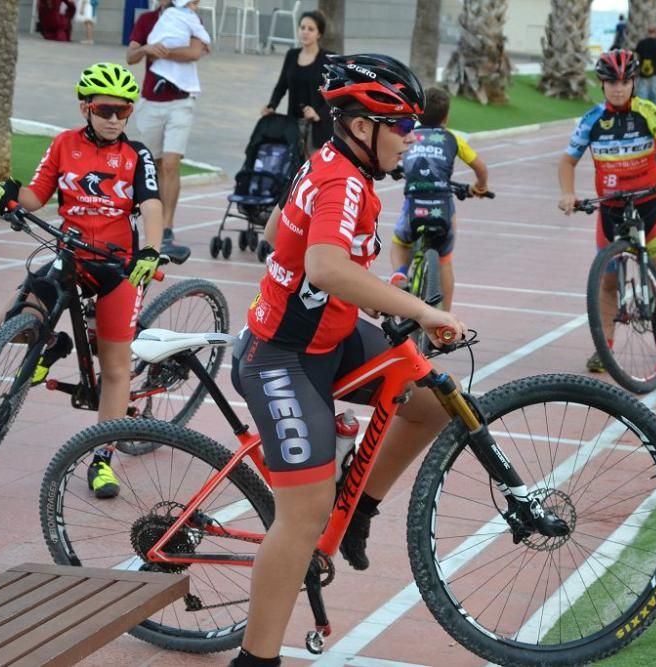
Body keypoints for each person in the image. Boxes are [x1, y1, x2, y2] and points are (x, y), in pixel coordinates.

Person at [228, 54, 466, 667]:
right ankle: (254, 660)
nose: (411, 140)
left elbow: (287, 226)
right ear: (363, 127)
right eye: (403, 126)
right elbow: (326, 266)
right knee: (303, 517)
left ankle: (358, 510)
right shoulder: (341, 179)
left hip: (327, 337)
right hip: (280, 356)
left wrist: (371, 285)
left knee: (426, 400)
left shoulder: (335, 167)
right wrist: (424, 309)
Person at [0, 63, 164, 499]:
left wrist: (151, 250)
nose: (114, 119)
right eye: (105, 109)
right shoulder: (64, 144)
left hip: (117, 266)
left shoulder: (137, 155)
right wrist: (8, 193)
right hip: (69, 255)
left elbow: (152, 204)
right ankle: (51, 344)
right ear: (86, 107)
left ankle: (101, 459)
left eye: (123, 111)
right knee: (7, 321)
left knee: (115, 366)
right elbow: (36, 196)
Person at [556, 50, 656, 373]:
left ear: (633, 82)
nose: (618, 88)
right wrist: (568, 194)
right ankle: (605, 346)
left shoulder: (647, 111)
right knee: (607, 281)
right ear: (601, 84)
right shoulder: (591, 119)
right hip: (611, 210)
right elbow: (567, 161)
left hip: (650, 204)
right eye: (611, 83)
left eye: (624, 82)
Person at [389, 86, 489, 311]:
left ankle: (399, 274)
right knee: (444, 260)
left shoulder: (408, 135)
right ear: (446, 117)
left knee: (399, 243)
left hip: (414, 205)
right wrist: (480, 187)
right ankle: (446, 317)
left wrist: (395, 167)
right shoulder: (452, 138)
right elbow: (481, 169)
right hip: (442, 206)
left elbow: (392, 157)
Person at [127, 0, 208, 262]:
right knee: (154, 165)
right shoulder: (146, 20)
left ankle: (167, 228)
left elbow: (195, 52)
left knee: (171, 164)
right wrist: (148, 48)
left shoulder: (189, 17)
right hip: (151, 101)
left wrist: (162, 51)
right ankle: (153, 223)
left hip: (181, 101)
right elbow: (130, 56)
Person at [262, 10, 333, 158]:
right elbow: (281, 86)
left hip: (317, 129)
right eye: (302, 28)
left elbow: (335, 95)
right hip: (293, 125)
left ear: (319, 34)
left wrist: (318, 114)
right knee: (293, 170)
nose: (305, 32)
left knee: (313, 172)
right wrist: (271, 105)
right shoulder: (292, 55)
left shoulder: (328, 60)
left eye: (311, 29)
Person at [147, 0, 211, 96]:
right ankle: (177, 85)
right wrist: (207, 41)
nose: (197, 7)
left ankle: (160, 79)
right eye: (195, 4)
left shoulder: (169, 12)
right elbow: (199, 31)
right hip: (179, 44)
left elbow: (160, 27)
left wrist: (153, 41)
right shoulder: (192, 17)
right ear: (185, 3)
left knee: (160, 66)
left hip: (162, 42)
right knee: (178, 66)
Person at [634, 26, 656, 105]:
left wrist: (637, 69)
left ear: (648, 32)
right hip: (654, 71)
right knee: (654, 92)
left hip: (642, 70)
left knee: (642, 91)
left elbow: (637, 58)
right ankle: (655, 109)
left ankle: (641, 107)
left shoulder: (641, 43)